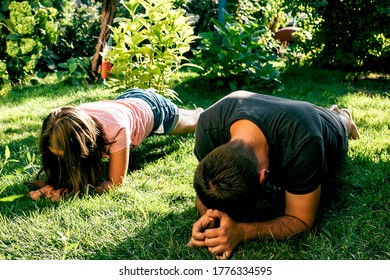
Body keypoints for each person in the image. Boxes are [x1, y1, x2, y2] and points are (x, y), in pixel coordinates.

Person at [188, 90, 359, 259]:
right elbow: (211, 187)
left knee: (339, 122)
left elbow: (301, 219)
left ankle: (343, 116)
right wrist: (208, 215)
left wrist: (242, 231)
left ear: (264, 178)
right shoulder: (207, 126)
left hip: (321, 124)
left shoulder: (305, 141)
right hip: (284, 111)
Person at [28, 88, 203, 202]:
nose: (62, 161)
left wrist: (72, 191)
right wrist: (54, 183)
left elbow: (114, 184)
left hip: (154, 109)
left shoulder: (116, 130)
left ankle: (203, 113)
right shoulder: (71, 123)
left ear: (83, 144)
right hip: (125, 100)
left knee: (195, 122)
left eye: (65, 156)